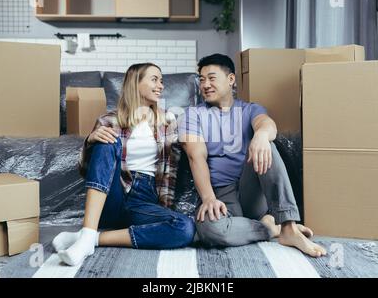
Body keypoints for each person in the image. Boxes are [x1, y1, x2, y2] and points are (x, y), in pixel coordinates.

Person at [178, 54, 327, 258]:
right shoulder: (192, 115)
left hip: (252, 192)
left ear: (230, 79)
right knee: (208, 230)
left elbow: (266, 124)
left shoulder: (249, 109)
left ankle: (289, 227)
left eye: (211, 78)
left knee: (267, 144)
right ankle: (271, 228)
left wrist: (261, 135)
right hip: (221, 197)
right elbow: (196, 156)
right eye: (201, 79)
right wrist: (209, 198)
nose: (205, 84)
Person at [53, 63, 195, 266]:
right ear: (135, 83)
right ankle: (89, 230)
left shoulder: (168, 121)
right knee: (105, 141)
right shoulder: (109, 120)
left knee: (184, 228)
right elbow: (86, 170)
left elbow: (182, 157)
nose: (161, 85)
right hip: (112, 194)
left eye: (161, 81)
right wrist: (90, 141)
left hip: (145, 200)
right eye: (154, 79)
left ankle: (88, 238)